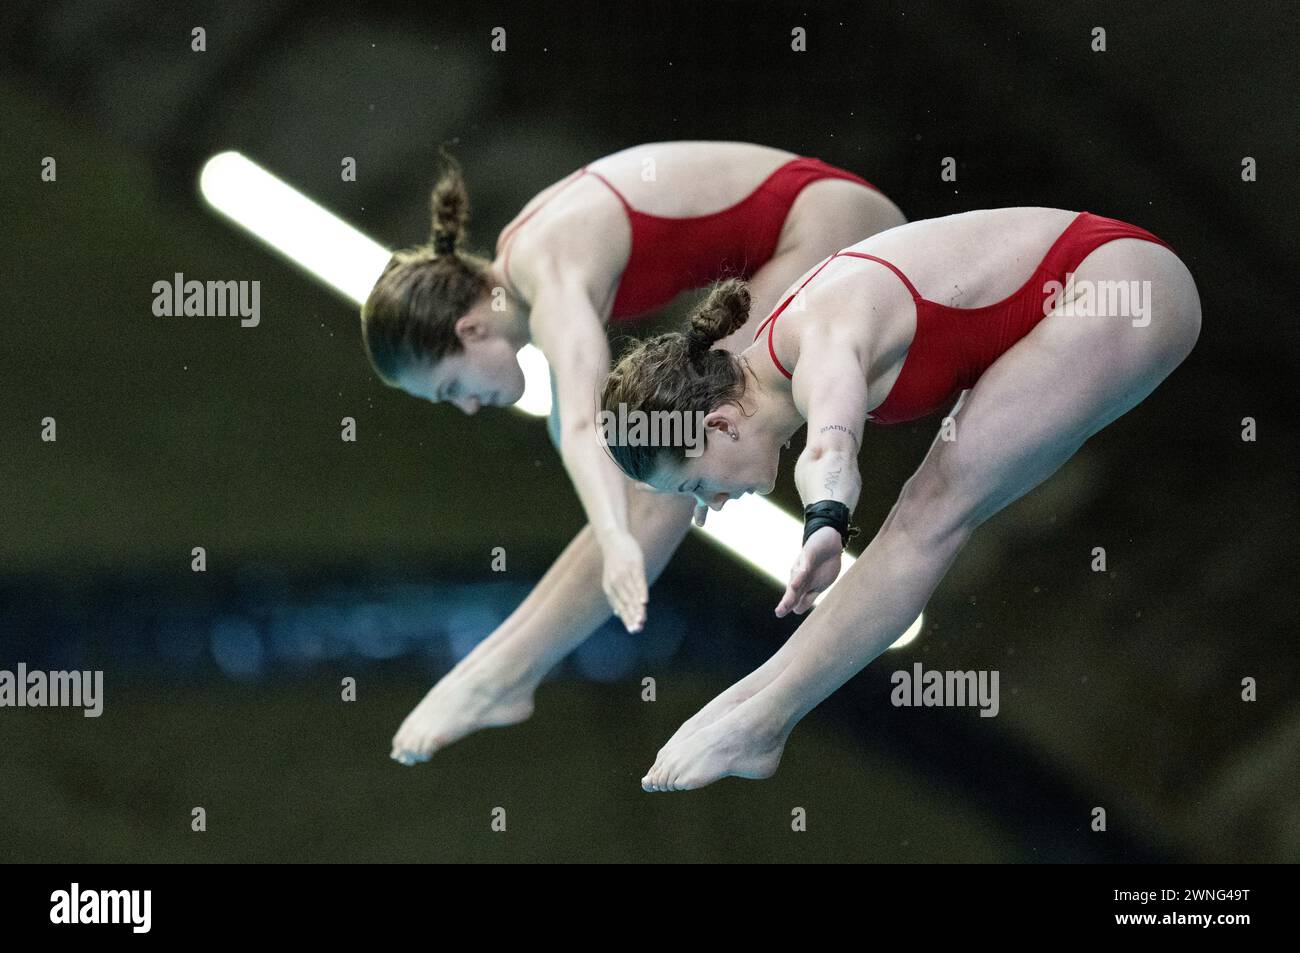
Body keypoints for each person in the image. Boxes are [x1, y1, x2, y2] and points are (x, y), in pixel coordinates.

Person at [599, 207, 1201, 790]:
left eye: (696, 486)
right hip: (1103, 279)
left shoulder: (822, 335)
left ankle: (763, 720)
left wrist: (826, 522)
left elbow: (832, 450)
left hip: (1122, 286)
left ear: (722, 424)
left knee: (928, 515)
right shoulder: (781, 352)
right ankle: (746, 703)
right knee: (923, 517)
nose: (715, 505)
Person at [366, 141, 906, 764]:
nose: (466, 406)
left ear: (470, 329)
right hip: (821, 218)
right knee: (658, 464)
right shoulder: (530, 261)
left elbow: (581, 425)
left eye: (452, 387)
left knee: (656, 477)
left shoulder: (547, 265)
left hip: (834, 224)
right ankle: (497, 666)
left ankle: (502, 674)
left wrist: (618, 536)